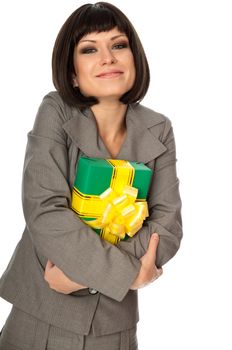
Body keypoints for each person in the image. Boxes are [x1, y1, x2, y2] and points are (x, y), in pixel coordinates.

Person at [0, 2, 182, 349]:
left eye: (118, 45)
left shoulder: (159, 128)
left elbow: (167, 227)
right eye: (89, 49)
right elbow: (45, 211)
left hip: (114, 325)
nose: (108, 58)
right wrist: (132, 272)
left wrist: (76, 277)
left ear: (134, 58)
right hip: (41, 313)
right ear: (72, 73)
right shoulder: (55, 110)